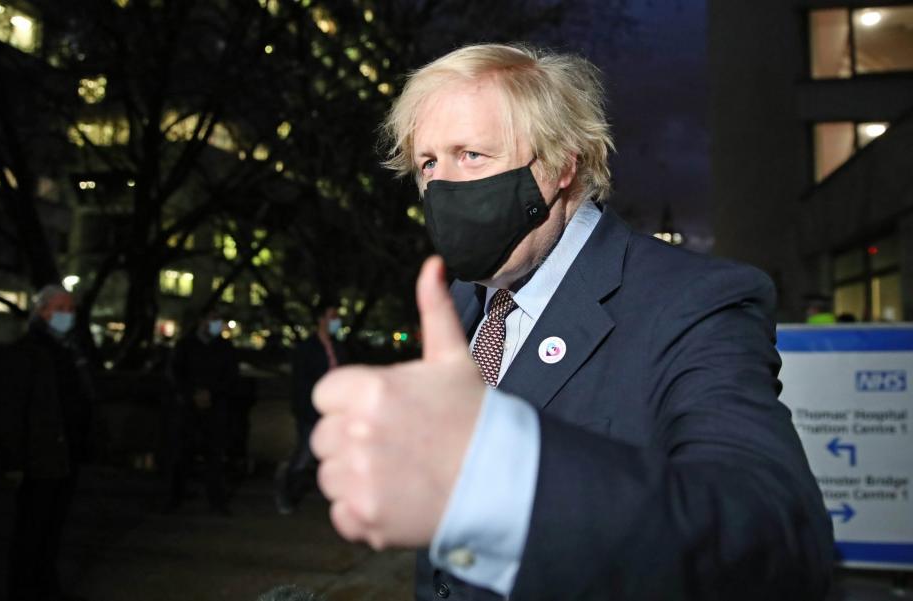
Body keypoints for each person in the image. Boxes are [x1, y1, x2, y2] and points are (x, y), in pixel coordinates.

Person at [310, 44, 835, 601]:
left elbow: (776, 539)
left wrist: (503, 478)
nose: (442, 187)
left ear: (561, 165)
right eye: (429, 163)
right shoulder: (465, 303)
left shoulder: (692, 303)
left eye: (471, 155)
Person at [0, 285, 94, 601]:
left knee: (51, 530)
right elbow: (12, 409)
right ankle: (25, 589)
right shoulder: (29, 350)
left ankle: (42, 585)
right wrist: (12, 460)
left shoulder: (69, 350)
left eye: (71, 309)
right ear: (43, 312)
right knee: (31, 530)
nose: (68, 315)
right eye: (61, 308)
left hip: (64, 454)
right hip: (39, 456)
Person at [276, 304, 348, 514]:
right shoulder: (307, 349)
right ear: (320, 319)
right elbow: (301, 384)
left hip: (334, 412)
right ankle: (286, 491)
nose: (336, 321)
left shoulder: (338, 347)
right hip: (312, 410)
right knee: (305, 454)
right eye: (332, 316)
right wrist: (307, 410)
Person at [166, 310, 238, 514]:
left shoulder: (225, 347)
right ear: (202, 321)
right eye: (213, 319)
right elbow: (175, 374)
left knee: (214, 456)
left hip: (215, 409)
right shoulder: (185, 345)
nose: (216, 324)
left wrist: (212, 394)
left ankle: (216, 500)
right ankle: (174, 497)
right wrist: (192, 393)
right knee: (181, 454)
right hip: (188, 408)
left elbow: (231, 377)